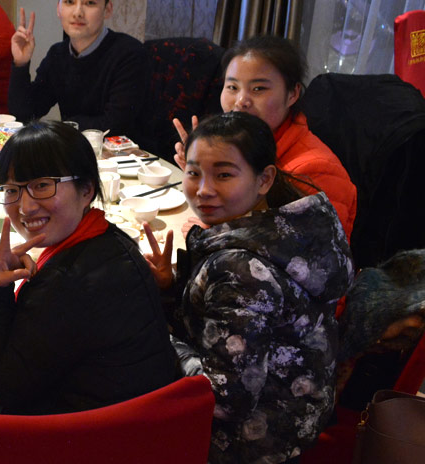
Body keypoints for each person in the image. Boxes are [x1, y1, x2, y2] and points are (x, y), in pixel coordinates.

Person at [144, 111, 353, 463]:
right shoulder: (289, 227)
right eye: (193, 173)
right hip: (300, 410)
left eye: (224, 174)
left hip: (257, 440)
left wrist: (154, 336)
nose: (204, 189)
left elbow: (225, 400)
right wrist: (170, 287)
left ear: (265, 179)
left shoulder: (241, 270)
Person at [0, 121, 179, 415]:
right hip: (131, 418)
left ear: (86, 190)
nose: (25, 207)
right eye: (12, 190)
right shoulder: (112, 238)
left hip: (88, 434)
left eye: (42, 185)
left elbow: (7, 388)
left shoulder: (66, 283)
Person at [173, 35, 357, 240]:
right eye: (232, 87)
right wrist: (204, 172)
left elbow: (306, 251)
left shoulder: (316, 169)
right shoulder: (238, 147)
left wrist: (213, 233)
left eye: (258, 89)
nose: (241, 101)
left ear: (292, 94)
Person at [7, 0, 150, 140]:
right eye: (69, 2)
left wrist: (63, 127)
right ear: (58, 8)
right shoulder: (58, 54)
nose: (77, 12)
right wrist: (21, 64)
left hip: (129, 154)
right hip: (77, 148)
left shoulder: (130, 54)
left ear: (107, 10)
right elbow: (24, 114)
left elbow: (115, 125)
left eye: (90, 3)